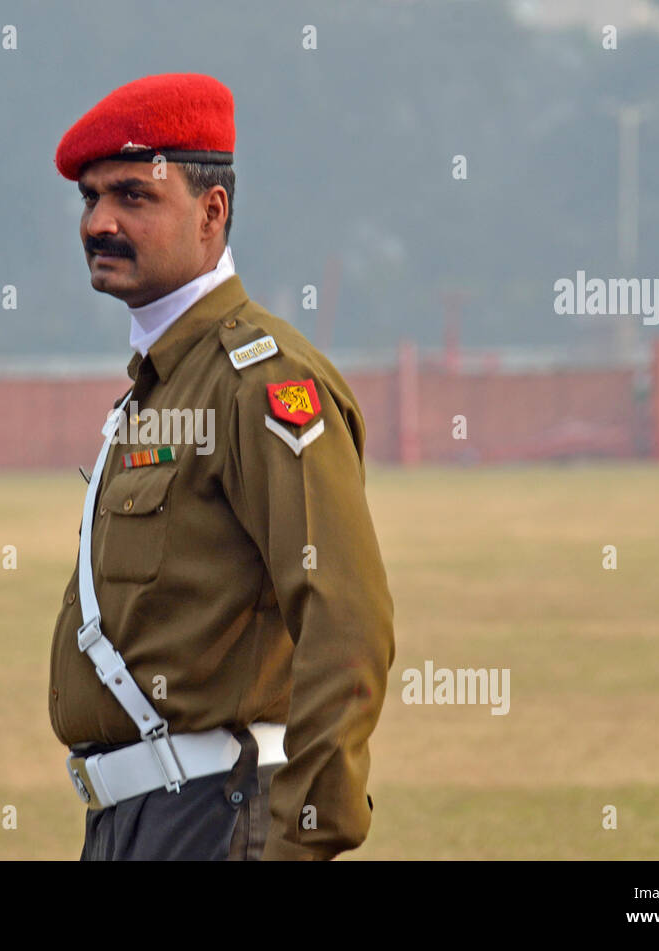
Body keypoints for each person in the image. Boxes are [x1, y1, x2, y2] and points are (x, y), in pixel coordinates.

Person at [48, 72, 396, 861]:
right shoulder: (163, 385)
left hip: (218, 818)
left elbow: (346, 622)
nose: (100, 221)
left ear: (212, 213)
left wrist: (304, 837)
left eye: (134, 196)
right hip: (138, 822)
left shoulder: (264, 383)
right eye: (90, 197)